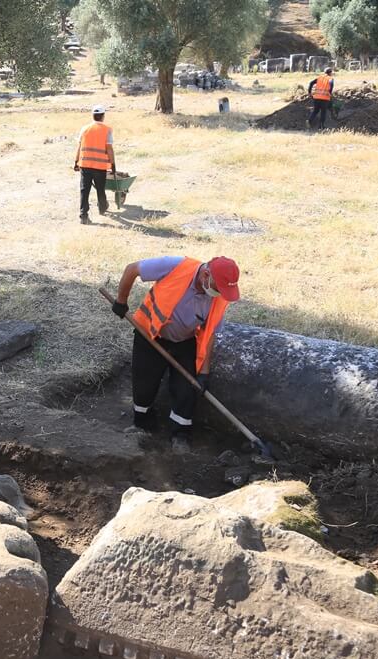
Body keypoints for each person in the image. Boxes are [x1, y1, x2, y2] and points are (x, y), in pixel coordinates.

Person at [110, 256, 240, 452]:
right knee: (144, 383)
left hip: (184, 341)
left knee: (187, 389)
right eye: (219, 287)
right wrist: (121, 301)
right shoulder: (175, 266)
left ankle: (180, 434)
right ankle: (142, 426)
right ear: (206, 275)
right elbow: (132, 269)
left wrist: (204, 372)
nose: (220, 293)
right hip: (150, 334)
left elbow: (210, 333)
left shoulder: (218, 297)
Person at [74, 105, 116, 225]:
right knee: (100, 188)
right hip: (100, 166)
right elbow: (109, 148)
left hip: (85, 164)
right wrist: (112, 164)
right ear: (103, 116)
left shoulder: (84, 129)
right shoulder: (107, 129)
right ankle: (102, 207)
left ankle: (83, 216)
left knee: (84, 190)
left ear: (92, 116)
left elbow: (79, 146)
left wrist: (76, 161)